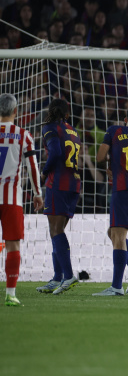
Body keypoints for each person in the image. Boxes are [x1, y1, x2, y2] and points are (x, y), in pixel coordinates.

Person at [92, 105, 128, 296]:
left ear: (125, 119)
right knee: (113, 233)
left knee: (119, 236)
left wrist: (113, 163)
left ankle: (116, 287)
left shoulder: (115, 130)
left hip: (122, 189)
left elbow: (99, 157)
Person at [0, 94, 43, 306]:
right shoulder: (23, 135)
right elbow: (33, 167)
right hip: (11, 198)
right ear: (16, 112)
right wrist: (37, 194)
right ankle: (10, 293)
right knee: (13, 244)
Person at [37, 99, 82, 295]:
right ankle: (57, 278)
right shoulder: (73, 131)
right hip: (74, 184)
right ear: (67, 115)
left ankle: (68, 275)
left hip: (58, 183)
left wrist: (44, 172)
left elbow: (55, 152)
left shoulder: (49, 127)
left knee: (55, 231)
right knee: (58, 232)